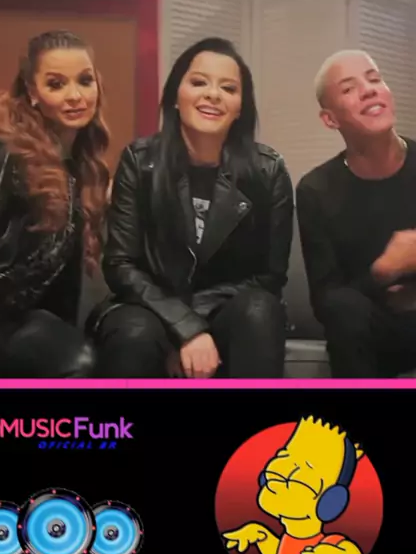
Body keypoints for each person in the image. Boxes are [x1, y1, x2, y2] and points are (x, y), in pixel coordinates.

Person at [92, 37, 293, 378]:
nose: (213, 94)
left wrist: (195, 326)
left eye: (228, 88)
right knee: (135, 333)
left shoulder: (268, 171)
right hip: (147, 308)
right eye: (199, 82)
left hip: (228, 312)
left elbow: (269, 277)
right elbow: (121, 264)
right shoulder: (139, 162)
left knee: (260, 309)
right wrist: (184, 327)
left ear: (240, 107)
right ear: (175, 96)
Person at [0, 30, 110, 378]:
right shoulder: (4, 148)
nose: (75, 95)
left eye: (85, 80)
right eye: (56, 84)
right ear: (32, 92)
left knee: (80, 359)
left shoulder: (85, 165)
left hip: (26, 318)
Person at [296, 49, 416, 378]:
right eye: (349, 89)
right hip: (374, 331)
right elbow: (327, 300)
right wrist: (384, 271)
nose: (368, 90)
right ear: (330, 119)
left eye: (374, 79)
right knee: (344, 310)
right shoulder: (316, 190)